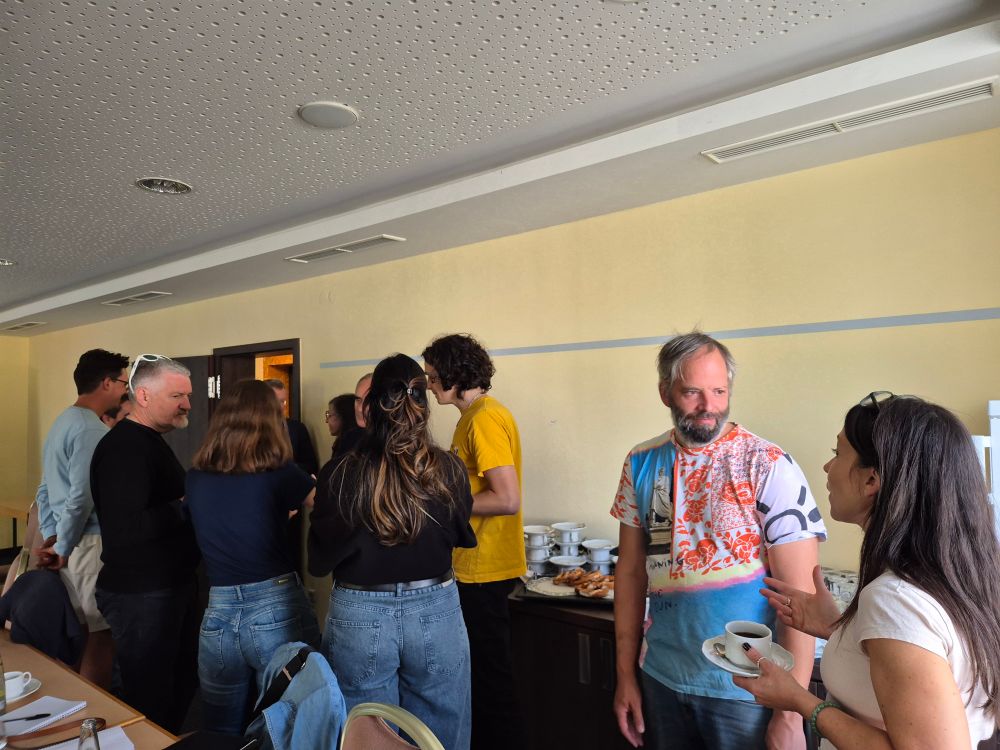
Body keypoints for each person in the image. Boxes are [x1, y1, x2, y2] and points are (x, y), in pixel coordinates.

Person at [734, 394, 1000, 749]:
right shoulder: (955, 575)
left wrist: (798, 700)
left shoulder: (896, 600)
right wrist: (840, 628)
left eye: (838, 454)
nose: (828, 469)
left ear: (871, 478)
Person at [611, 332, 827, 750]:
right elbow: (631, 572)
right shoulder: (639, 461)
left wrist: (789, 713)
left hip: (747, 689)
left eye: (719, 391)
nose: (709, 406)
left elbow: (800, 598)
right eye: (692, 392)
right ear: (665, 393)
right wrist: (625, 676)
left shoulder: (768, 464)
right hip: (660, 677)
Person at [308, 354, 476, 749]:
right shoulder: (449, 469)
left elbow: (321, 556)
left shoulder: (340, 472)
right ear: (423, 406)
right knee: (441, 735)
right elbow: (456, 533)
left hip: (361, 611)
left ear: (367, 409)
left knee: (366, 734)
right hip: (436, 607)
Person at [186, 379, 320, 734]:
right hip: (274, 604)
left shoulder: (196, 477)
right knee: (288, 723)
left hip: (218, 613)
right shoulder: (279, 472)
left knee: (219, 729)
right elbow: (325, 510)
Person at [421, 333, 527, 750]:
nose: (429, 386)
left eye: (432, 377)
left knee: (490, 686)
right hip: (479, 566)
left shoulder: (482, 418)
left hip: (483, 570)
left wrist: (443, 504)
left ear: (454, 374)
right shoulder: (477, 415)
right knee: (482, 682)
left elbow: (506, 497)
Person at [90, 354, 201, 734]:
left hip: (162, 589)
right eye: (178, 396)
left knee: (171, 687)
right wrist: (186, 506)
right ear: (144, 395)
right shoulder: (125, 448)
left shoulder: (148, 440)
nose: (187, 404)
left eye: (187, 395)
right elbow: (127, 528)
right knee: (146, 695)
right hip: (142, 594)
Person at [33, 348, 129, 688]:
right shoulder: (91, 430)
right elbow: (82, 496)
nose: (125, 390)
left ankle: (77, 702)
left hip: (70, 540)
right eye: (123, 382)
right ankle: (94, 715)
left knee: (78, 633)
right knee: (99, 636)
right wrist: (63, 544)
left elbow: (43, 490)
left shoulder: (63, 420)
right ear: (106, 383)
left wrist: (54, 535)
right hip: (87, 544)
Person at [264, 379, 319, 476]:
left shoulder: (296, 428)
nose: (281, 406)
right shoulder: (252, 429)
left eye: (283, 401)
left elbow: (311, 465)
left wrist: (288, 468)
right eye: (276, 401)